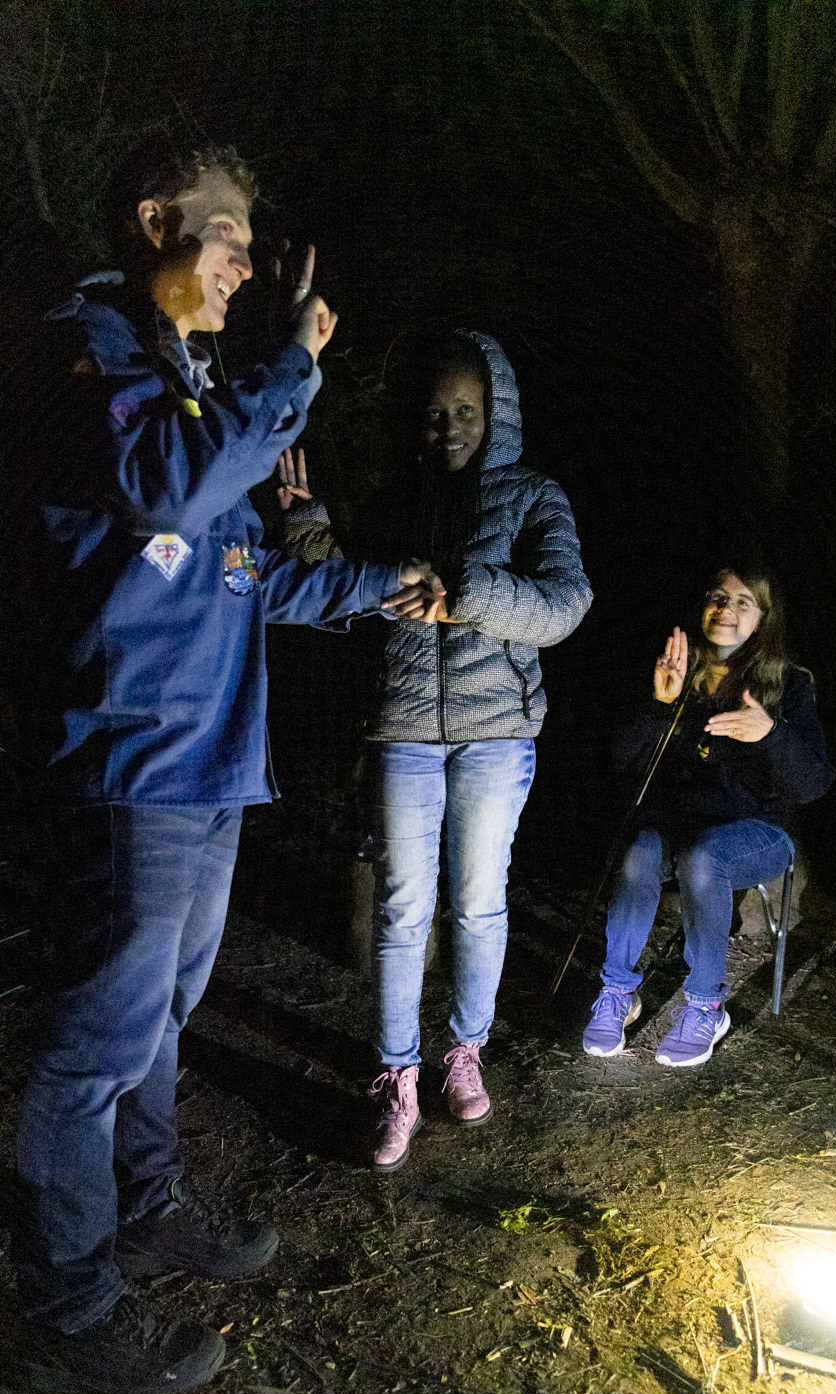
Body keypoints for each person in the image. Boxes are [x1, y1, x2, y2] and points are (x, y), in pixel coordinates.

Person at [13, 137, 443, 1394]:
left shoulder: (192, 377)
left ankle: (146, 1206)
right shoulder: (91, 350)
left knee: (161, 1018)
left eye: (255, 249)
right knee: (93, 1048)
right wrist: (288, 368)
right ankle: (68, 1305)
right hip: (132, 758)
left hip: (209, 761)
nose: (245, 269)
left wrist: (380, 585)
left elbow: (244, 574)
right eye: (227, 238)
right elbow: (165, 494)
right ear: (155, 220)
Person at [277, 330, 592, 1170]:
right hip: (404, 729)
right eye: (433, 413)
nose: (448, 426)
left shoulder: (534, 496)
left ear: (496, 413)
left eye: (465, 410)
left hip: (497, 732)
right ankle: (397, 1076)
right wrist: (308, 528)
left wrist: (470, 597)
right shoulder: (394, 504)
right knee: (401, 906)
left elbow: (566, 603)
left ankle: (464, 1051)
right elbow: (346, 596)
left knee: (479, 902)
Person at [582, 565, 834, 1068]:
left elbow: (813, 785)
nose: (726, 610)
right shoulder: (677, 671)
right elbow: (621, 761)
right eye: (718, 597)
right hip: (680, 825)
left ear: (763, 619)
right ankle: (617, 993)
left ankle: (706, 1006)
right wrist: (660, 704)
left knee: (704, 857)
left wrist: (772, 735)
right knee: (640, 851)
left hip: (760, 833)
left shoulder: (788, 684)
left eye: (743, 602)